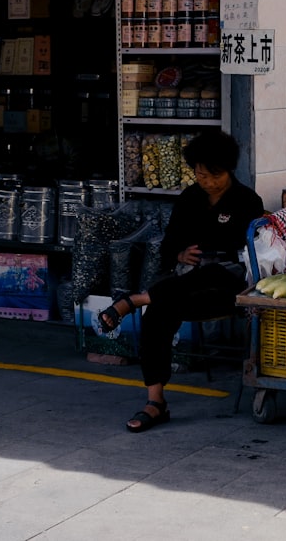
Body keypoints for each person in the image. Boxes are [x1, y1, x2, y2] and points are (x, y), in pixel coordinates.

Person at [96, 129, 265, 432]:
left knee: (211, 273)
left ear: (228, 170)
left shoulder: (247, 200)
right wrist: (180, 253)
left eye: (213, 175)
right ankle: (155, 401)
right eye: (200, 175)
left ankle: (135, 299)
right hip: (185, 285)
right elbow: (169, 245)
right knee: (158, 312)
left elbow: (247, 253)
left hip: (228, 286)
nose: (206, 182)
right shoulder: (189, 198)